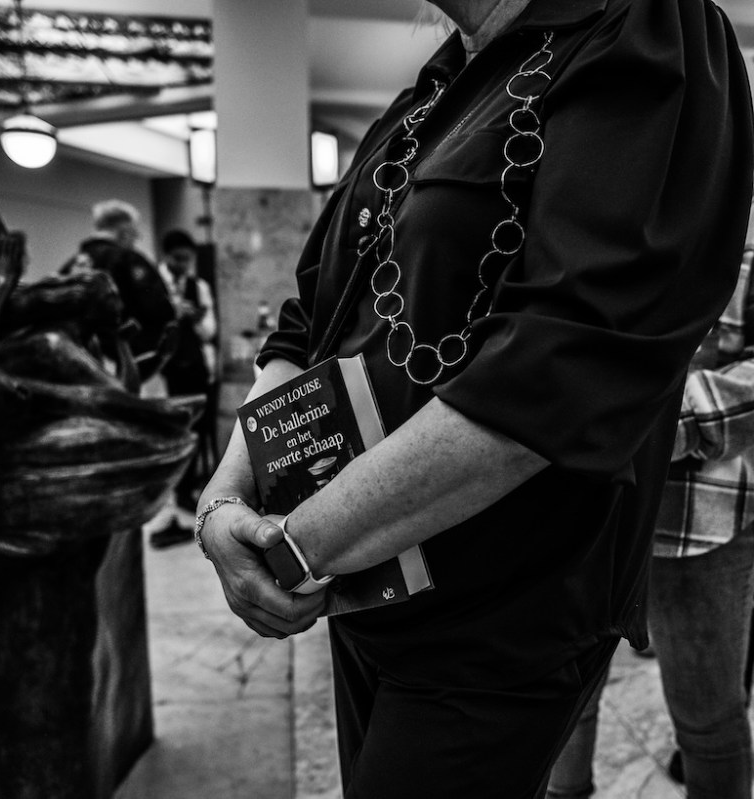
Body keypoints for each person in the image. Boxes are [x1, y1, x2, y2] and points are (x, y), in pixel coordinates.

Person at [193, 1, 754, 796]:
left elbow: (563, 369)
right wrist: (223, 500)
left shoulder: (640, 24)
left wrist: (297, 549)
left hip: (497, 611)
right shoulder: (441, 81)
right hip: (366, 579)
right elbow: (306, 321)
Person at [548, 242, 754, 799]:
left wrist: (647, 421)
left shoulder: (743, 236)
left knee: (708, 720)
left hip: (699, 517)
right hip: (579, 506)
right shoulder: (593, 223)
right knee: (562, 701)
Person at [149, 229, 220, 548]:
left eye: (187, 259)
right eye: (178, 258)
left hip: (196, 369)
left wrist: (195, 317)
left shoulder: (199, 287)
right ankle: (170, 495)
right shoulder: (153, 285)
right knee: (171, 432)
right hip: (166, 372)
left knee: (196, 432)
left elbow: (209, 331)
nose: (183, 265)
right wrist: (172, 311)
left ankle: (188, 489)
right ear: (166, 255)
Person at [60, 199, 174, 366]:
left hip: (79, 357)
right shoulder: (128, 259)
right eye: (135, 231)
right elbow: (157, 307)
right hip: (124, 357)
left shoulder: (71, 265)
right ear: (124, 230)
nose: (137, 237)